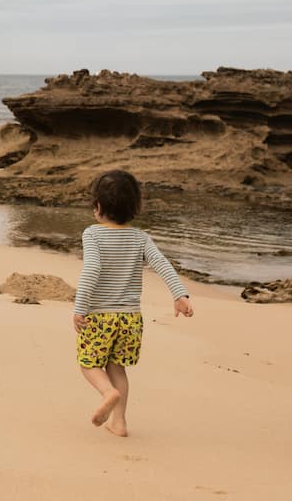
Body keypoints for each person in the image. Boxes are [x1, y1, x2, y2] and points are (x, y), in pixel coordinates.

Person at [73, 169, 193, 437]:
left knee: (89, 363)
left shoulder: (92, 234)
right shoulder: (140, 238)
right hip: (130, 320)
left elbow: (91, 270)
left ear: (98, 206)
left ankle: (107, 393)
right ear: (134, 208)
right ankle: (119, 422)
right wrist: (179, 294)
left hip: (100, 316)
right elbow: (161, 264)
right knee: (117, 367)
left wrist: (80, 307)